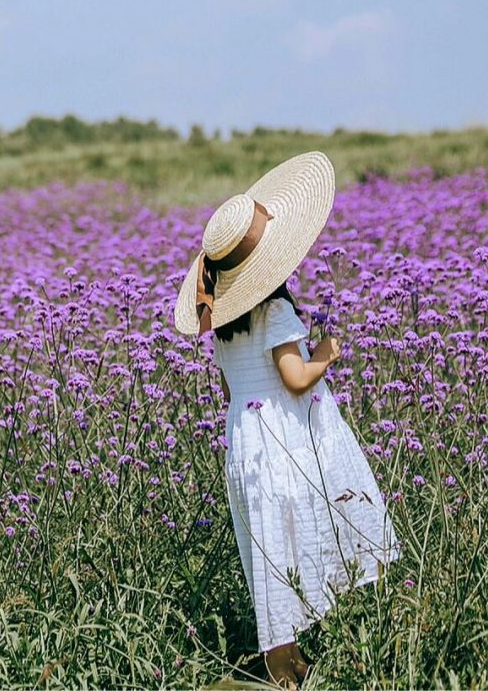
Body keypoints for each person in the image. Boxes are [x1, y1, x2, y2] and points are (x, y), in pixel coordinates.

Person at [172, 152, 401, 689]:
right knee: (328, 524)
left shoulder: (223, 329)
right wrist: (328, 351)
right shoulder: (276, 312)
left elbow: (234, 388)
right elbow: (295, 378)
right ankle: (370, 642)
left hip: (248, 441)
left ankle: (283, 667)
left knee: (272, 547)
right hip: (287, 437)